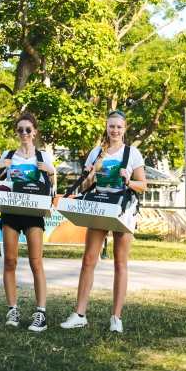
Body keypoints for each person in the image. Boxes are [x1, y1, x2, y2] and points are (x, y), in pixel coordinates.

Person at [60, 109, 147, 334]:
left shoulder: (132, 154)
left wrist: (128, 181)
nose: (115, 130)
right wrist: (89, 175)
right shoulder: (97, 153)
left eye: (119, 127)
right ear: (106, 128)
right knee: (89, 259)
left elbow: (143, 185)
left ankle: (116, 317)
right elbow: (86, 186)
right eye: (111, 126)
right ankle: (80, 314)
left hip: (123, 208)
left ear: (124, 129)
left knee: (120, 262)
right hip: (99, 206)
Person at [0, 112, 55, 333]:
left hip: (33, 214)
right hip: (10, 212)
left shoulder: (43, 156)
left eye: (28, 129)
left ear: (35, 131)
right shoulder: (9, 155)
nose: (24, 134)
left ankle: (41, 313)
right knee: (10, 262)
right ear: (16, 132)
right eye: (20, 130)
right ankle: (13, 309)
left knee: (35, 262)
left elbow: (51, 189)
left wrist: (51, 172)